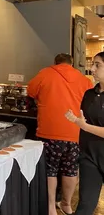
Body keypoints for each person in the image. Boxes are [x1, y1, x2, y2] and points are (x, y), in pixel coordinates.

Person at [28, 53, 93, 215]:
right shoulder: (84, 79)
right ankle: (66, 205)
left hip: (49, 132)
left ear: (55, 63)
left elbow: (30, 91)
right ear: (71, 64)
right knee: (70, 170)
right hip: (75, 133)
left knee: (50, 170)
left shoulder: (45, 73)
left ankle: (50, 208)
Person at [65, 51, 104, 215]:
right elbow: (86, 120)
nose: (92, 69)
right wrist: (76, 120)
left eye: (98, 65)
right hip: (89, 157)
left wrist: (83, 125)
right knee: (85, 206)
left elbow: (86, 125)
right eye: (92, 64)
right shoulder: (89, 94)